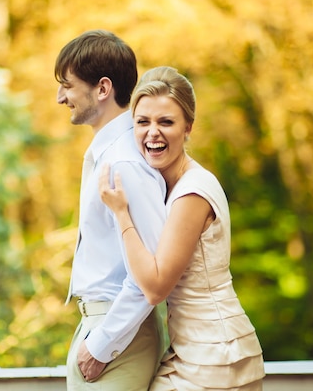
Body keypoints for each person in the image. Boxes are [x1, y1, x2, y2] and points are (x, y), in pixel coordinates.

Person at [99, 66, 265, 390]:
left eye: (166, 122)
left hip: (214, 354)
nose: (152, 133)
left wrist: (121, 214)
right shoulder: (167, 187)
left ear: (188, 127)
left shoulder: (192, 191)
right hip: (189, 349)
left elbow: (155, 287)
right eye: (143, 122)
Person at [55, 30, 167, 390]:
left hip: (119, 335)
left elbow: (150, 270)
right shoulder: (107, 154)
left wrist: (101, 346)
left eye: (67, 86)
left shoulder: (126, 162)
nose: (60, 97)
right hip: (99, 325)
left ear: (103, 89)